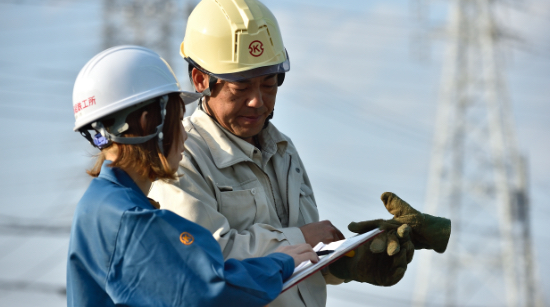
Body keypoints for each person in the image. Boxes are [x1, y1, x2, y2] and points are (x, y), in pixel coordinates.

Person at [149, 0, 451, 306]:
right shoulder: (182, 156)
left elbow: (308, 261)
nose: (257, 101)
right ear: (201, 79)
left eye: (269, 84)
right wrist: (300, 239)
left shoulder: (282, 150)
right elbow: (200, 260)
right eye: (241, 88)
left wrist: (351, 259)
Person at [66, 45, 319, 307]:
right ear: (149, 124)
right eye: (178, 119)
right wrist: (280, 262)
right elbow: (206, 293)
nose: (185, 134)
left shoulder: (103, 206)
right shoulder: (130, 222)